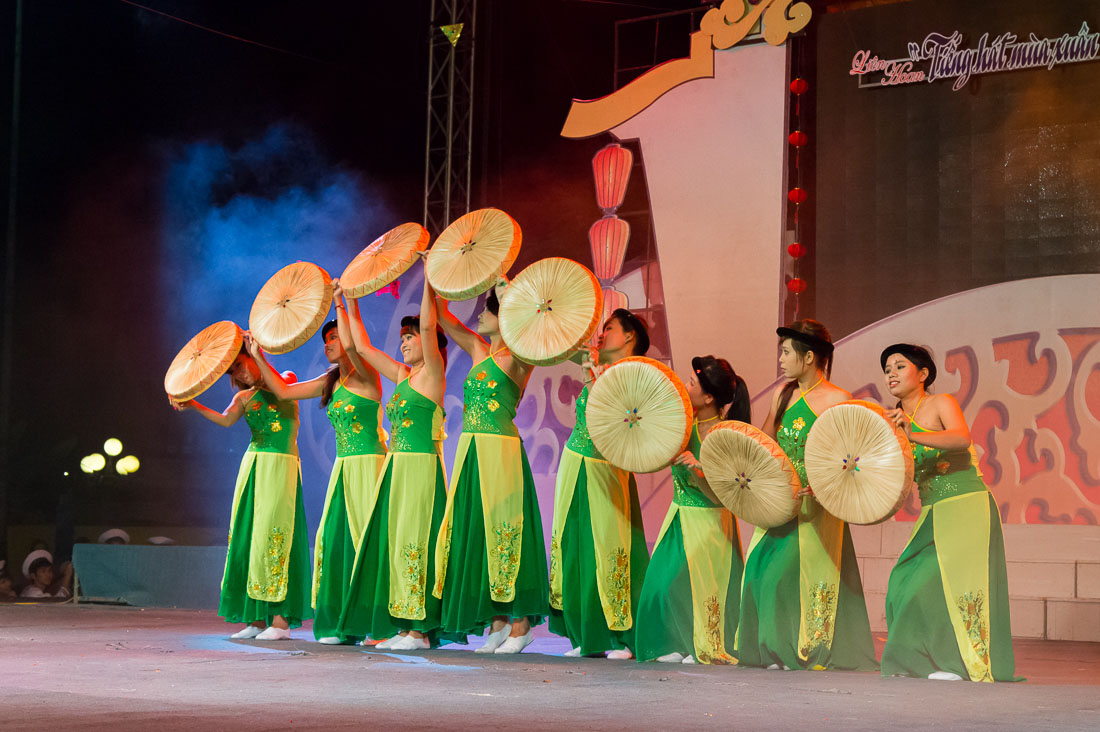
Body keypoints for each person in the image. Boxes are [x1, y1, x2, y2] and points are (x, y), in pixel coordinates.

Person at [248, 283, 386, 645]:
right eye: (325, 339)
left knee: (364, 541)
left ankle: (377, 625)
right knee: (336, 541)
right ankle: (345, 625)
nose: (328, 343)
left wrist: (344, 301)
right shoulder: (331, 381)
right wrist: (258, 355)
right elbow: (283, 391)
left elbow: (357, 345)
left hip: (369, 466)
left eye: (334, 337)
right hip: (344, 469)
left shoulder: (366, 376)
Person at [736, 320, 877, 671]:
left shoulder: (838, 399)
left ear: (810, 356)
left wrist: (827, 482)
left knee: (786, 576)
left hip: (816, 506)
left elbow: (853, 454)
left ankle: (796, 650)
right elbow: (764, 442)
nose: (781, 360)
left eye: (786, 352)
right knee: (758, 571)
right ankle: (772, 650)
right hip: (782, 501)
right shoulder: (783, 394)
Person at [879, 344, 1017, 682]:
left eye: (899, 366)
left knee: (953, 587)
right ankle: (921, 662)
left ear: (923, 374)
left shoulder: (940, 403)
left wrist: (910, 431)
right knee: (904, 583)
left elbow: (960, 438)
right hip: (933, 511)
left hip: (966, 505)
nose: (891, 374)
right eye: (887, 369)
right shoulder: (891, 418)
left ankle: (957, 663)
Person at [432, 283, 549, 654]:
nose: (480, 315)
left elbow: (530, 325)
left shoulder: (519, 355)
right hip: (470, 450)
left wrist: (508, 290)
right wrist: (434, 279)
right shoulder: (480, 352)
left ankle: (520, 625)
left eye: (488, 309)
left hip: (500, 451)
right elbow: (444, 320)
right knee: (479, 532)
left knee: (505, 529)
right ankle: (497, 624)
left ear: (504, 317)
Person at [336, 276, 448, 651]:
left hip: (419, 466)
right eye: (402, 337)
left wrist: (430, 280)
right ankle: (402, 626)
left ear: (430, 345)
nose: (403, 341)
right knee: (395, 542)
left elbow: (432, 325)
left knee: (415, 540)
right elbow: (360, 347)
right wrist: (345, 300)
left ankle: (419, 630)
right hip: (395, 466)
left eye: (410, 336)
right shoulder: (403, 376)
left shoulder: (433, 374)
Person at [171, 341, 311, 640]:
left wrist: (259, 354)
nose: (240, 374)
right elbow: (225, 420)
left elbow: (279, 388)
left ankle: (280, 621)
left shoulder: (285, 379)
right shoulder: (244, 398)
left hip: (280, 465)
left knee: (275, 535)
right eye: (233, 371)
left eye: (241, 365)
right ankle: (256, 619)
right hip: (253, 467)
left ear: (252, 357)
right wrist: (194, 405)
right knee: (248, 537)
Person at [547, 309, 651, 659]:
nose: (602, 333)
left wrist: (592, 375)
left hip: (606, 469)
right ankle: (586, 635)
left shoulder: (636, 375)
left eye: (610, 328)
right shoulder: (601, 370)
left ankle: (620, 636)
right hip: (575, 462)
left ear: (630, 336)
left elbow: (617, 418)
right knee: (576, 547)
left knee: (609, 548)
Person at [635, 355, 749, 664]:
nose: (686, 387)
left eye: (693, 383)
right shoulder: (684, 425)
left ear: (709, 397)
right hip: (679, 515)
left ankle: (702, 644)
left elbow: (725, 496)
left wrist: (699, 472)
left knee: (693, 587)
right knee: (660, 585)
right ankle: (673, 643)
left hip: (709, 522)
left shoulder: (722, 435)